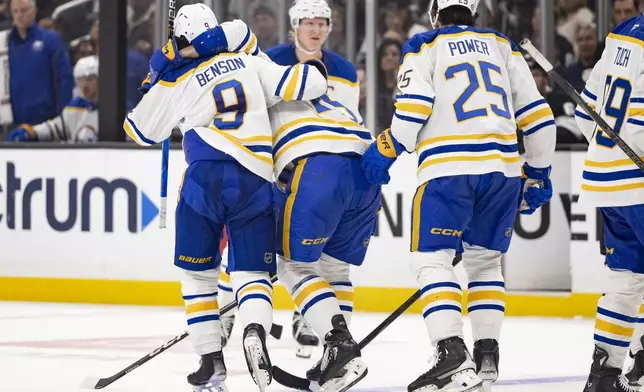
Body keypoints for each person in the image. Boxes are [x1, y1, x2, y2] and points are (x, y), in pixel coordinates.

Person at [124, 4, 328, 392]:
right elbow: (306, 83)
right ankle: (254, 329)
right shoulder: (249, 62)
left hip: (204, 179)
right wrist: (315, 71)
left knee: (198, 274)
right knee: (252, 272)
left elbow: (138, 131)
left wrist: (157, 80)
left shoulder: (177, 80)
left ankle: (210, 359)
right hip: (253, 179)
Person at [360, 0, 556, 391]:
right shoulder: (502, 44)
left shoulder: (424, 44)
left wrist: (386, 147)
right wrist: (538, 171)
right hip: (502, 171)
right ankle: (486, 352)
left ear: (436, 13)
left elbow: (414, 108)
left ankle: (449, 349)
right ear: (475, 12)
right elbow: (538, 116)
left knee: (430, 258)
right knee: (485, 264)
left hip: (449, 171)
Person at [191, 11, 380, 392]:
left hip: (317, 167)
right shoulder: (302, 77)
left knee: (289, 264)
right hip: (365, 171)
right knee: (334, 269)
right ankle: (336, 359)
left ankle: (338, 344)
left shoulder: (255, 80)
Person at [217, 0, 363, 360]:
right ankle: (226, 314)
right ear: (294, 27)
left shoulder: (344, 71)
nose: (316, 30)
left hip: (314, 168)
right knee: (251, 245)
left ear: (330, 27)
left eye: (322, 23)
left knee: (316, 261)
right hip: (278, 166)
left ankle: (310, 321)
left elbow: (348, 118)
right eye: (308, 23)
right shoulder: (271, 59)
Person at [574, 13, 644, 392]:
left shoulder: (622, 34)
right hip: (640, 179)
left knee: (626, 277)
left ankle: (604, 375)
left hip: (609, 179)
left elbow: (585, 114)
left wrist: (612, 154)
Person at [8, 0, 74, 127]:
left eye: (23, 11)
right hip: (15, 122)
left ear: (34, 11)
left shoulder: (50, 39)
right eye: (15, 11)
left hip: (46, 121)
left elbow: (64, 77)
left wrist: (64, 115)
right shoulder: (7, 44)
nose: (19, 15)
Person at [7, 55, 98, 143]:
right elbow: (55, 127)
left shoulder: (110, 111)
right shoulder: (77, 106)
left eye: (90, 79)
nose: (85, 84)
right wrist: (32, 132)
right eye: (81, 80)